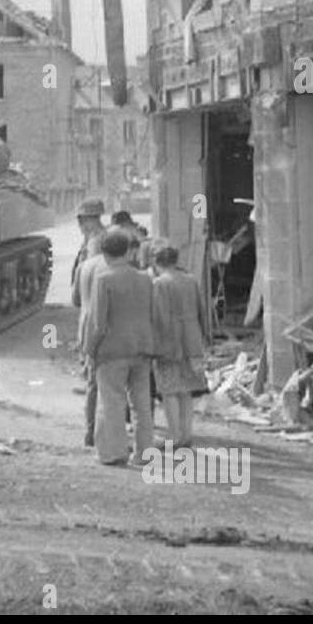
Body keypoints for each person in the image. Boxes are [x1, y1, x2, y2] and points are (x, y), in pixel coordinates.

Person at [84, 229, 156, 466]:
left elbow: (98, 322)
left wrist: (90, 350)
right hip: (142, 348)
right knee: (142, 404)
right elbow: (153, 314)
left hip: (112, 351)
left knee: (112, 401)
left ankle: (113, 452)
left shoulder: (103, 280)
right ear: (128, 251)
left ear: (104, 254)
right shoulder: (146, 278)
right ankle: (144, 453)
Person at [151, 243, 210, 449]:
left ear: (157, 263)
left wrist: (154, 344)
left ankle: (174, 436)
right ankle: (186, 435)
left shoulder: (159, 283)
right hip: (192, 340)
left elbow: (159, 317)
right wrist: (203, 337)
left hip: (170, 342)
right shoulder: (191, 280)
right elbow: (202, 311)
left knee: (169, 391)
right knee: (187, 390)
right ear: (176, 261)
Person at [70, 197, 107, 447]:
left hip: (94, 320)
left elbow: (84, 289)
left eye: (82, 219)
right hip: (93, 316)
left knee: (97, 381)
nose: (80, 224)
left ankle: (93, 431)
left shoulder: (95, 244)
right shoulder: (95, 239)